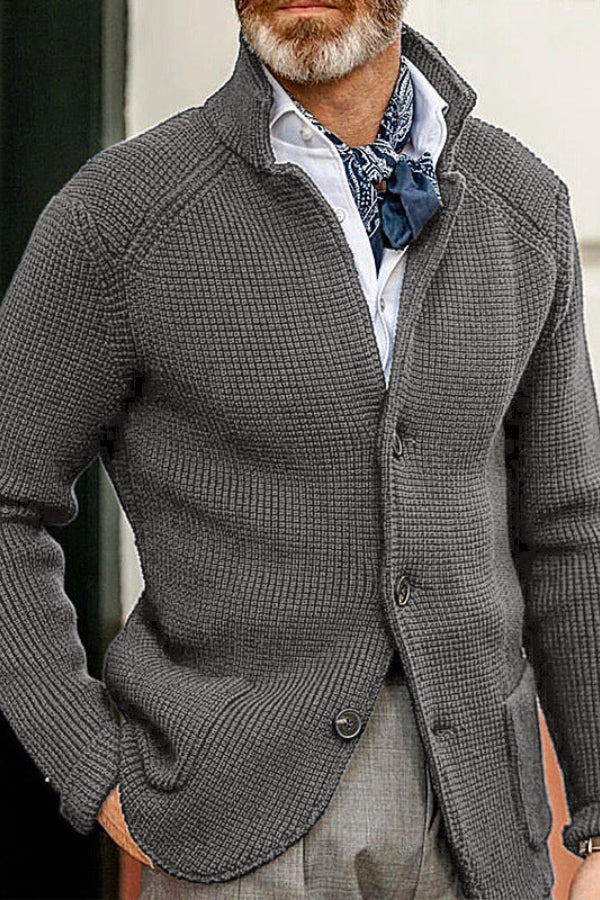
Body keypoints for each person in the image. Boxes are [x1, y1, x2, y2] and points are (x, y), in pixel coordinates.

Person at [0, 0, 599, 897]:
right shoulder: (119, 216)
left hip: (485, 824)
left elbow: (570, 526)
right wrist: (89, 766)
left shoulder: (523, 204)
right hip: (232, 826)